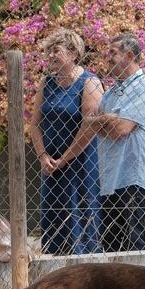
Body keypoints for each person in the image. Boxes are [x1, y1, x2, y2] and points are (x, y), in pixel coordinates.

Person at [75, 32, 145, 253]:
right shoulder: (111, 93)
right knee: (112, 248)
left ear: (129, 56)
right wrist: (106, 120)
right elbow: (91, 124)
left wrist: (101, 122)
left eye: (113, 53)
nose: (107, 58)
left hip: (132, 177)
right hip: (109, 178)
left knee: (137, 246)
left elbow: (121, 130)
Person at [29, 28, 103, 255]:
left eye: (56, 51)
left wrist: (65, 158)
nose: (50, 56)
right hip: (50, 166)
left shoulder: (89, 82)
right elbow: (35, 124)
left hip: (80, 165)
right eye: (49, 51)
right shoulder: (46, 83)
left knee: (80, 222)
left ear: (73, 53)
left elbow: (89, 127)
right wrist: (43, 156)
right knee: (54, 225)